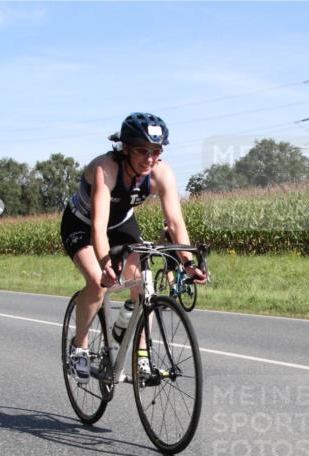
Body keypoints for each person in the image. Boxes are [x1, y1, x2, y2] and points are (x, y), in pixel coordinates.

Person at [60, 112, 206, 384]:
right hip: (82, 224)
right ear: (125, 148)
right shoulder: (107, 169)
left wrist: (188, 263)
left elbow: (175, 221)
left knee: (142, 288)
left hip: (123, 225)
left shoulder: (162, 173)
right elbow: (99, 226)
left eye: (156, 151)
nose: (150, 158)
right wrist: (105, 262)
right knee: (97, 282)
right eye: (142, 150)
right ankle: (79, 347)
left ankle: (141, 358)